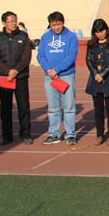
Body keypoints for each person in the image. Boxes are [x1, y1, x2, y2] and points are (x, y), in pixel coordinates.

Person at [37, 11, 79, 145]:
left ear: (63, 23)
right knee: (53, 107)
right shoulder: (45, 37)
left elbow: (71, 56)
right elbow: (40, 55)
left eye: (59, 24)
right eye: (53, 25)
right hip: (50, 77)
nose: (56, 27)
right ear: (50, 24)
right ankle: (54, 134)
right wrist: (49, 69)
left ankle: (70, 134)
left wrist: (57, 69)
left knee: (69, 107)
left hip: (66, 76)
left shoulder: (71, 37)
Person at [0, 11, 33, 146]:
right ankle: (7, 136)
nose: (14, 24)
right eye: (10, 21)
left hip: (20, 77)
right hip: (5, 78)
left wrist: (15, 70)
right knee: (5, 108)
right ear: (4, 23)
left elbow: (26, 57)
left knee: (23, 107)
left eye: (15, 21)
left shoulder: (23, 36)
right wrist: (7, 71)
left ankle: (25, 134)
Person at [85, 19, 109, 146]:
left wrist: (102, 75)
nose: (100, 34)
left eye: (102, 31)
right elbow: (88, 60)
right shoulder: (91, 44)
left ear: (106, 30)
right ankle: (100, 134)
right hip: (95, 81)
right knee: (98, 110)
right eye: (97, 32)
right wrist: (96, 74)